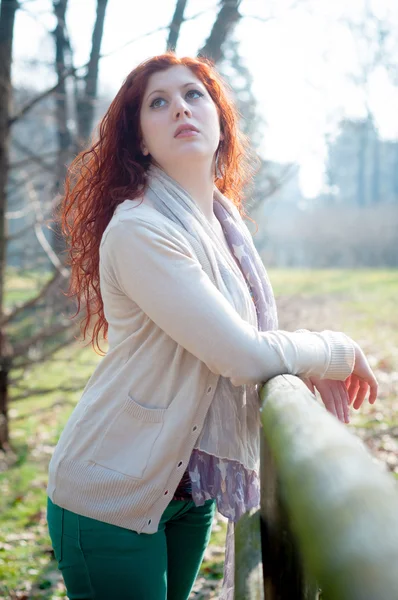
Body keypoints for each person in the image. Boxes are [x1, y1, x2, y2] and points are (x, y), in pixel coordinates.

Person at [46, 53, 378, 600]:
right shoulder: (140, 229)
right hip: (111, 492)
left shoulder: (224, 229)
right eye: (159, 102)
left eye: (193, 95)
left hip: (190, 488)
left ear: (220, 122)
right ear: (140, 143)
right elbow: (241, 356)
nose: (180, 107)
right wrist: (332, 349)